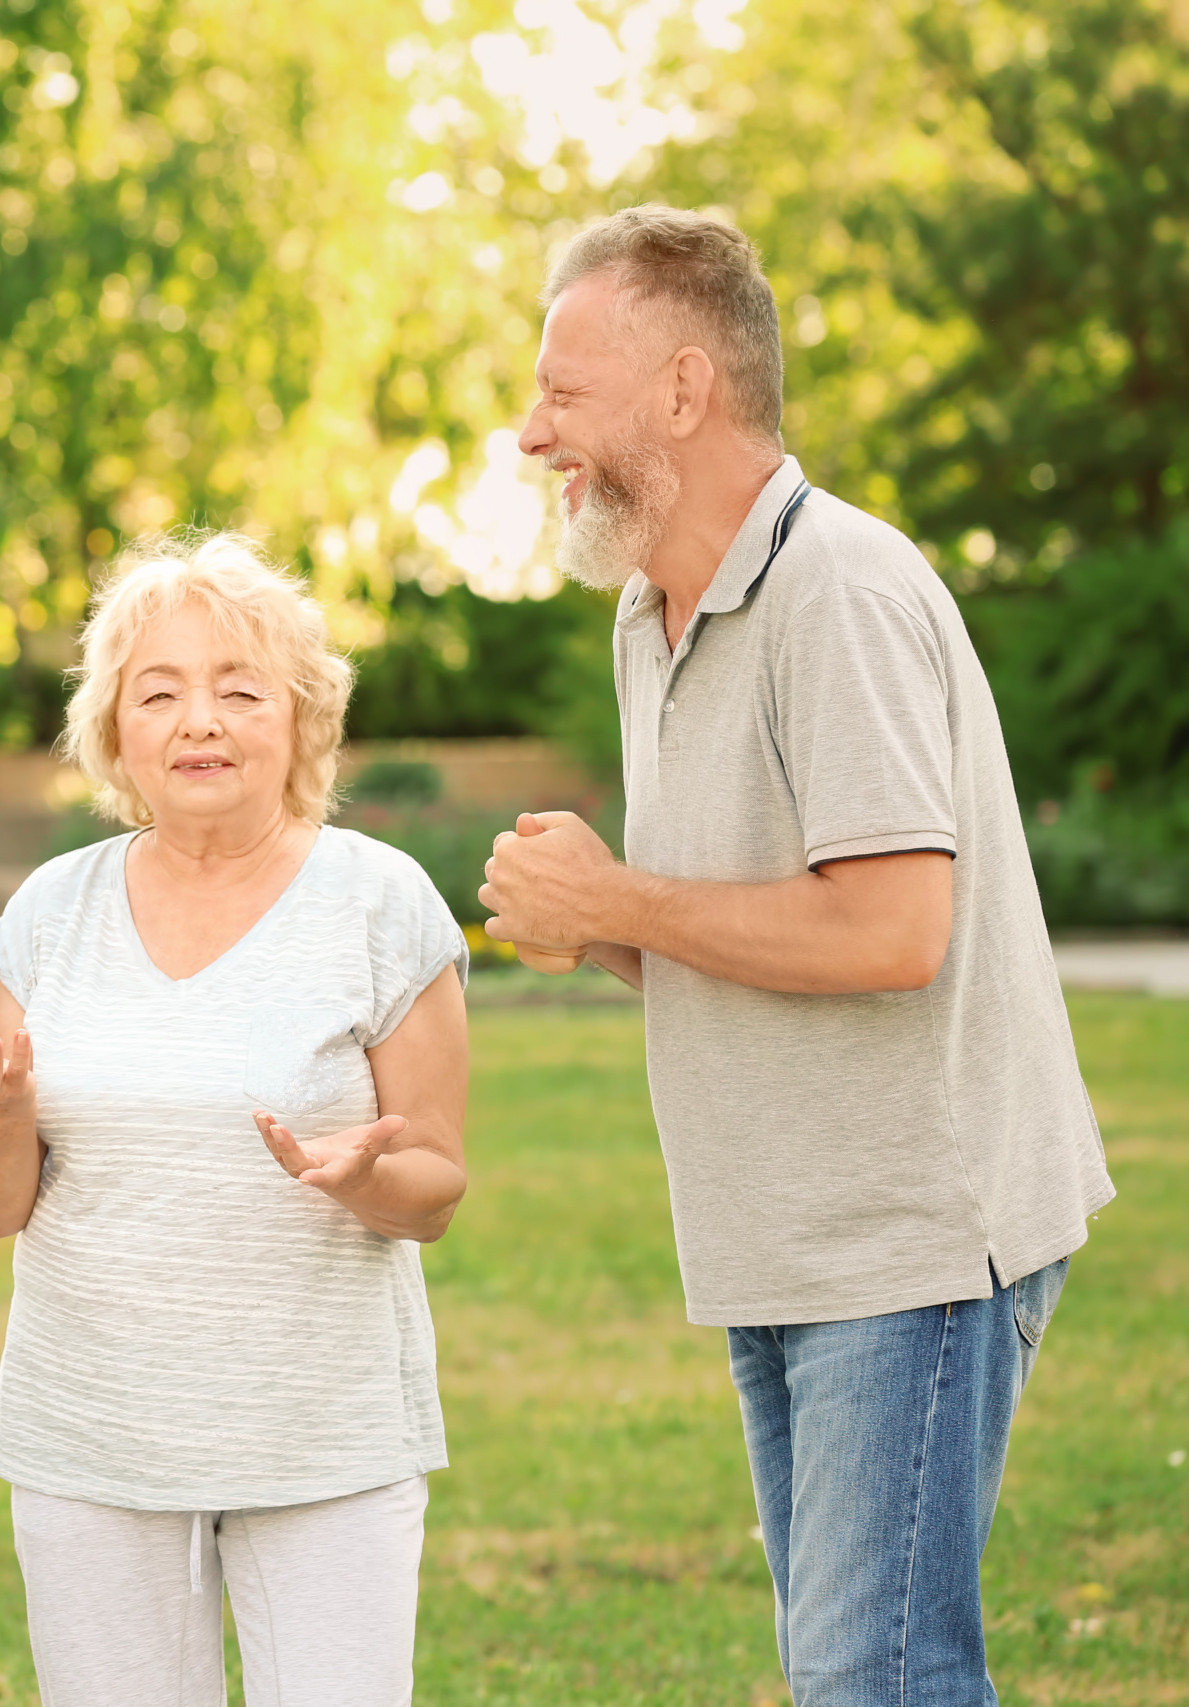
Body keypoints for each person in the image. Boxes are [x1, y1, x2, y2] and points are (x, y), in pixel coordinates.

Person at [484, 204, 1114, 1705]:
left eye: (564, 392)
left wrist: (622, 901)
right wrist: (601, 920)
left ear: (684, 391)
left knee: (874, 1677)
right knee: (846, 1670)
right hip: (781, 1237)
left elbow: (894, 929)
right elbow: (749, 926)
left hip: (910, 1243)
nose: (529, 432)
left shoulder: (842, 590)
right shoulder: (652, 612)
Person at [0, 532, 470, 1706]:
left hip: (321, 1439)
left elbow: (434, 1190)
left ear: (301, 720)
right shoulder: (51, 913)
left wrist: (356, 1174)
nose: (197, 721)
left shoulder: (378, 900)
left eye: (237, 690)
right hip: (92, 1437)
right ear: (115, 733)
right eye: (157, 693)